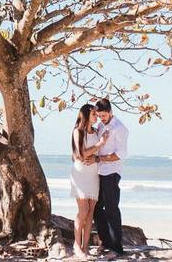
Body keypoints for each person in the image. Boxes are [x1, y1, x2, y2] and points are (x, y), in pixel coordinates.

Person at [69, 103, 109, 258]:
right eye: (93, 113)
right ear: (86, 115)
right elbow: (82, 154)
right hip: (80, 173)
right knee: (83, 211)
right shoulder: (78, 132)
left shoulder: (97, 131)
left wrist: (98, 154)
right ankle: (76, 245)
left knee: (91, 212)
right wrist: (100, 144)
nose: (96, 116)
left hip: (93, 174)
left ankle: (85, 247)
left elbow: (96, 154)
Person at [91, 98, 129, 256]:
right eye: (99, 115)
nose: (101, 118)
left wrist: (101, 159)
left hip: (112, 172)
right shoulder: (100, 125)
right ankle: (105, 242)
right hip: (99, 172)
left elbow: (121, 154)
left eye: (104, 115)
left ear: (111, 112)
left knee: (112, 209)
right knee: (97, 208)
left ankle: (117, 246)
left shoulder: (120, 128)